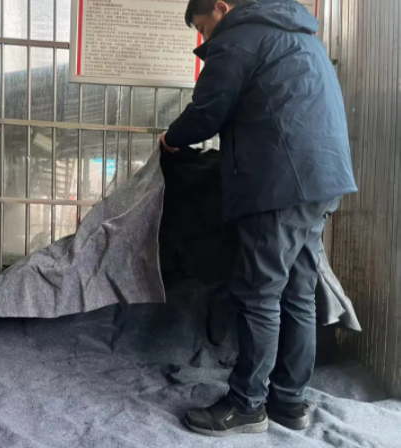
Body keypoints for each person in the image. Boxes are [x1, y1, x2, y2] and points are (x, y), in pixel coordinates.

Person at [160, 0, 357, 437]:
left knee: (258, 294)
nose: (204, 38)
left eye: (203, 27)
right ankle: (289, 402)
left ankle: (246, 405)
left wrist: (172, 138)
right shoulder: (301, 36)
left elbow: (208, 111)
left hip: (278, 183)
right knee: (298, 292)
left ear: (221, 7)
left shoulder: (238, 38)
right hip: (322, 179)